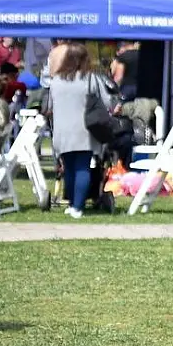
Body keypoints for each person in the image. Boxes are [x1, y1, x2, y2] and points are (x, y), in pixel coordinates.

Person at [44, 43, 112, 219]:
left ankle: (73, 203)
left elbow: (49, 106)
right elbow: (107, 102)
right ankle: (78, 206)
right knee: (83, 167)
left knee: (69, 168)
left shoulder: (56, 81)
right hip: (84, 129)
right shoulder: (90, 78)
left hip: (62, 130)